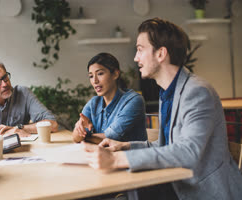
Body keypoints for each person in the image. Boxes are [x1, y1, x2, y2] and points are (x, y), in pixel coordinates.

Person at [83, 18, 242, 199]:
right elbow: (166, 146)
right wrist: (124, 147)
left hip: (203, 193)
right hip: (176, 186)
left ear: (161, 54)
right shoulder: (167, 92)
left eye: (140, 50)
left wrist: (116, 160)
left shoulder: (197, 92)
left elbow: (188, 152)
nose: (136, 58)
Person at [73, 53, 147, 144]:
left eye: (100, 74)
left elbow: (111, 138)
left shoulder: (134, 101)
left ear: (115, 74)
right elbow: (75, 137)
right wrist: (79, 128)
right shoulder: (93, 103)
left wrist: (85, 136)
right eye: (91, 76)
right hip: (103, 156)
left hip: (129, 157)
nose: (95, 81)